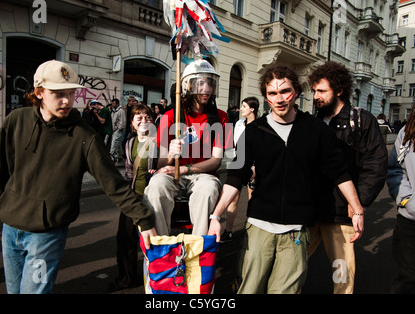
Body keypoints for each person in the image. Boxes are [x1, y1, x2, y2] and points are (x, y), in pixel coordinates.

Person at [0, 60, 156, 294]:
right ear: (39, 93)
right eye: (58, 93)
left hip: (46, 233)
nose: (67, 100)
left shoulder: (84, 137)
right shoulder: (17, 121)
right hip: (10, 227)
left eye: (70, 92)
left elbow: (114, 185)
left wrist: (143, 218)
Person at [207, 64, 365, 294]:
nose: (279, 98)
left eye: (285, 91)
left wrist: (357, 208)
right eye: (272, 93)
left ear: (297, 93)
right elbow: (235, 177)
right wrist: (216, 215)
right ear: (266, 96)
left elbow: (339, 172)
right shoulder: (253, 132)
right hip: (259, 226)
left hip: (296, 230)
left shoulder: (316, 130)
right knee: (248, 289)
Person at [308, 61, 387, 294]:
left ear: (339, 90)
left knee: (341, 276)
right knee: (292, 267)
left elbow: (375, 166)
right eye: (313, 91)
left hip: (341, 214)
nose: (315, 96)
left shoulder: (361, 121)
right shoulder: (312, 122)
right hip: (310, 211)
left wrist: (357, 203)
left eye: (321, 91)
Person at [144, 59, 232, 236]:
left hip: (204, 176)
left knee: (207, 190)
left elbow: (216, 161)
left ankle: (199, 248)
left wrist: (186, 169)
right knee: (156, 186)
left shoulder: (221, 118)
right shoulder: (170, 116)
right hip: (172, 173)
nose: (206, 89)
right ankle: (162, 246)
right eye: (200, 83)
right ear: (187, 86)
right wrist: (170, 154)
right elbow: (161, 163)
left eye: (209, 83)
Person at [111, 103, 157, 291]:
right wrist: (126, 196)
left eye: (147, 117)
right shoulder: (130, 142)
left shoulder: (158, 142)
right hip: (134, 197)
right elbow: (129, 172)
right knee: (125, 239)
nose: (144, 121)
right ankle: (128, 278)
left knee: (153, 240)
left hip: (152, 197)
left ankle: (158, 278)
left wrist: (158, 172)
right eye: (139, 118)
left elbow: (168, 167)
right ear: (132, 123)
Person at [221, 97, 259, 243]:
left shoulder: (259, 126)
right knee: (233, 197)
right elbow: (234, 143)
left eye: (244, 106)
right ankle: (228, 231)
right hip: (238, 162)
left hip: (253, 164)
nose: (241, 109)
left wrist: (254, 167)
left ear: (252, 109)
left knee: (252, 198)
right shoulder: (239, 124)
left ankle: (250, 228)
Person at [387, 103, 415, 293]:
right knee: (408, 278)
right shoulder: (408, 132)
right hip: (410, 220)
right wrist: (407, 201)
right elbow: (396, 170)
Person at [110, 98, 126, 163]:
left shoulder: (121, 111)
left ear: (117, 104)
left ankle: (111, 155)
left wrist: (119, 128)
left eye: (114, 103)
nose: (113, 105)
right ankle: (120, 156)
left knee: (114, 143)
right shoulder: (114, 111)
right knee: (118, 143)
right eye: (112, 103)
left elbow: (123, 121)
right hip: (114, 129)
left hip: (118, 130)